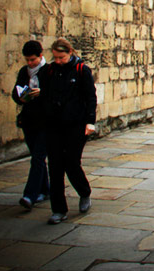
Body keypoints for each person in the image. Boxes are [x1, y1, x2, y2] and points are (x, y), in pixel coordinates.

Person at [39, 38, 97, 225]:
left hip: (76, 124)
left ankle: (84, 192)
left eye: (62, 57)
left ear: (70, 53)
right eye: (55, 57)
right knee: (55, 167)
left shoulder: (82, 70)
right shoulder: (48, 71)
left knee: (71, 163)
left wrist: (90, 121)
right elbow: (43, 94)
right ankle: (58, 210)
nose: (58, 61)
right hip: (54, 124)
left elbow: (90, 97)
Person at [12, 40, 49, 210]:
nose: (29, 63)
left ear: (40, 56)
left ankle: (30, 195)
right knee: (37, 156)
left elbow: (56, 93)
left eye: (32, 60)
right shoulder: (24, 72)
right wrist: (21, 96)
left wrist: (42, 93)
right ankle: (45, 189)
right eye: (27, 60)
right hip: (29, 120)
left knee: (37, 158)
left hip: (45, 121)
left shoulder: (49, 71)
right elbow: (16, 91)